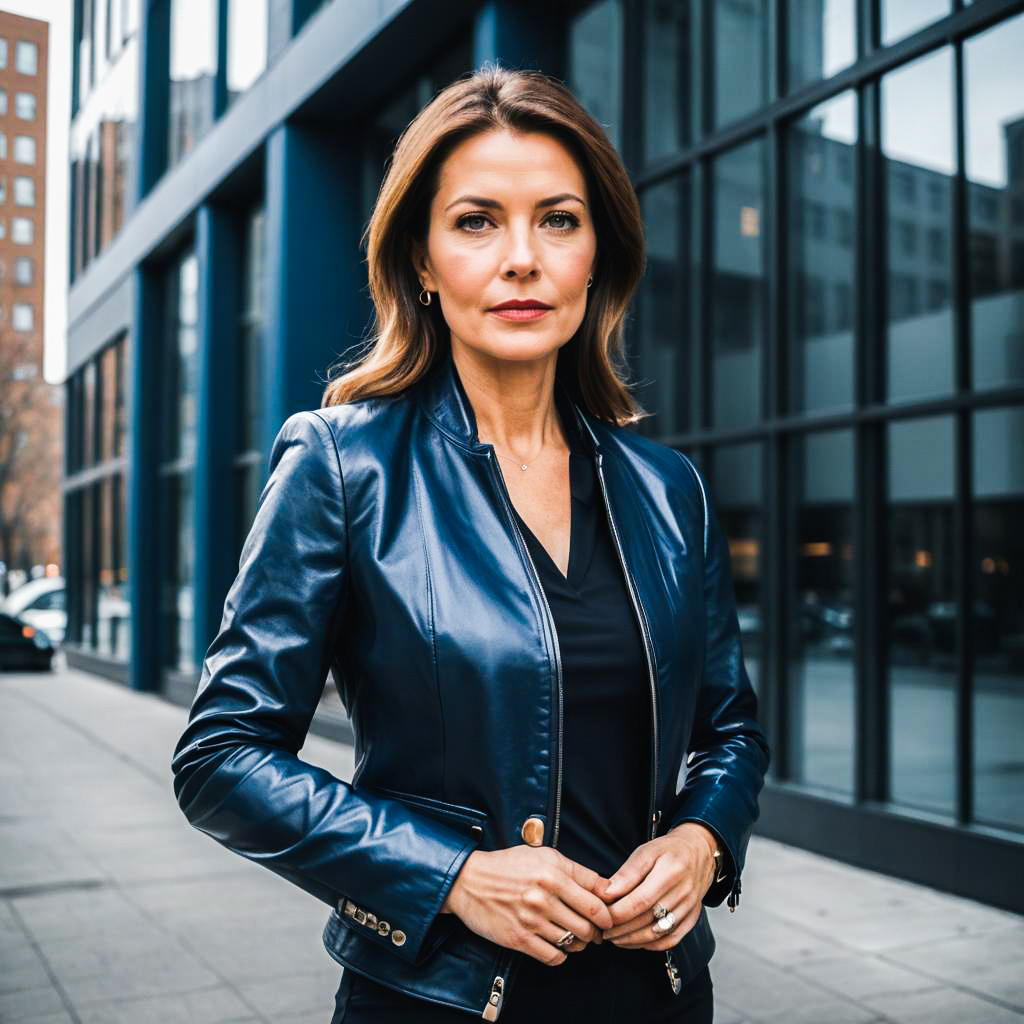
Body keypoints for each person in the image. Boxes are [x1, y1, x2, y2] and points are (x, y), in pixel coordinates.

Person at [171, 63, 770, 1022]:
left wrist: (704, 840)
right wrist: (450, 874)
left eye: (559, 220)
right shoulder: (342, 465)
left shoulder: (668, 489)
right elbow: (221, 756)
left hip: (658, 995)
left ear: (596, 256)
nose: (523, 257)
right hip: (437, 1000)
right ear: (420, 257)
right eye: (478, 220)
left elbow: (731, 728)